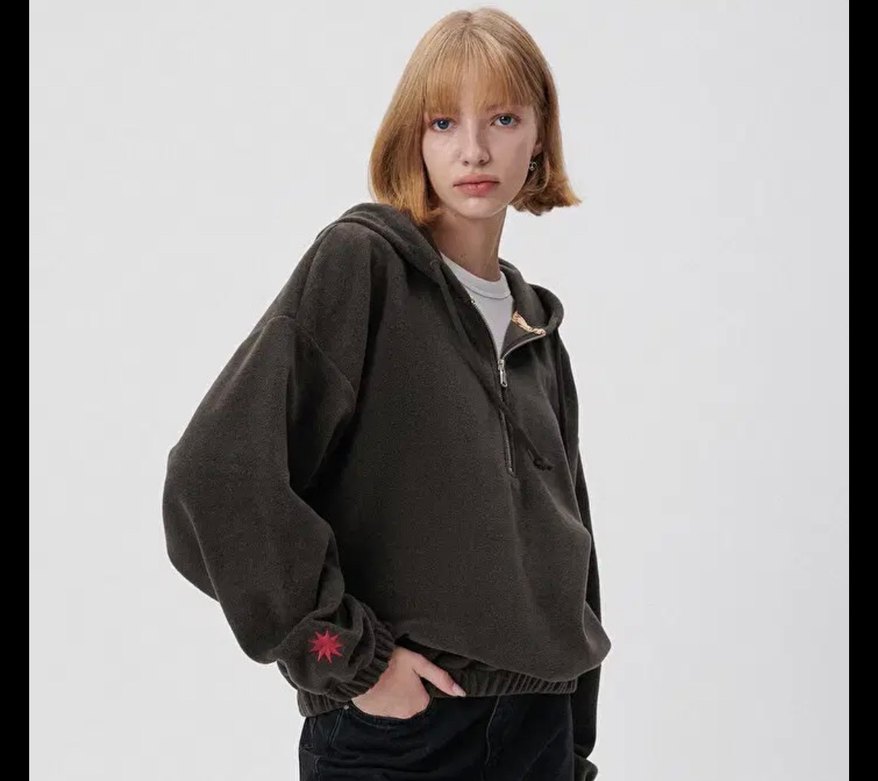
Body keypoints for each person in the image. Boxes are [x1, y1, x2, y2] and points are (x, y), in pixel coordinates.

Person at [162, 7, 612, 780]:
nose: (474, 148)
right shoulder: (363, 267)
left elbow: (576, 561)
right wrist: (347, 657)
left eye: (503, 118)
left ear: (539, 136)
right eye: (444, 122)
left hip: (538, 732)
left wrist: (573, 749)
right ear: (415, 139)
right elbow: (216, 476)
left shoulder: (538, 331)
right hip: (402, 737)